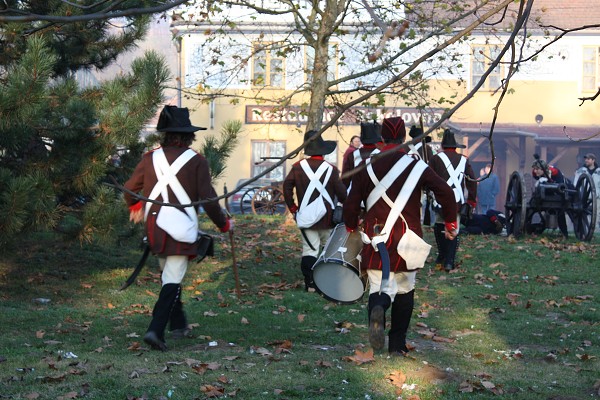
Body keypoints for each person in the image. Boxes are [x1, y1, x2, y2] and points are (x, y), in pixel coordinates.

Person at [343, 116, 458, 356]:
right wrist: (449, 222)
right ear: (404, 137)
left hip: (376, 237)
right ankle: (397, 346)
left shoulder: (367, 166)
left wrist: (351, 226)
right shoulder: (417, 166)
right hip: (407, 237)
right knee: (405, 289)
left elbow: (351, 202)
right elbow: (445, 192)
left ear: (382, 137)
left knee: (378, 287)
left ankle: (379, 309)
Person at [124, 105, 232, 351]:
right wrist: (224, 224)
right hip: (181, 228)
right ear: (188, 136)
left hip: (155, 227)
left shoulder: (149, 158)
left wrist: (135, 207)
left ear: (164, 134)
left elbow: (130, 188)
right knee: (172, 277)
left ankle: (178, 322)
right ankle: (155, 330)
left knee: (170, 276)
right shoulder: (197, 161)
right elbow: (208, 198)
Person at [283, 130, 347, 291]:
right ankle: (328, 282)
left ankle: (310, 284)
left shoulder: (297, 167)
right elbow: (342, 194)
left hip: (305, 217)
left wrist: (293, 208)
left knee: (310, 250)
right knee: (329, 250)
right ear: (323, 151)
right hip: (328, 218)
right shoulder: (331, 169)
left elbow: (286, 187)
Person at [428, 129, 477, 272]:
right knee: (453, 228)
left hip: (440, 200)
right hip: (457, 201)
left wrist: (430, 193)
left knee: (439, 225)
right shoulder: (464, 160)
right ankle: (449, 261)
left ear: (443, 145)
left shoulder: (436, 159)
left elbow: (429, 178)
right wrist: (471, 201)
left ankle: (442, 255)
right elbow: (472, 181)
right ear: (455, 146)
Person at [531, 154, 570, 237]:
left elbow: (561, 186)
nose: (535, 171)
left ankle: (564, 233)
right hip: (544, 194)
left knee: (560, 212)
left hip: (559, 192)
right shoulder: (535, 174)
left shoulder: (556, 172)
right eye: (534, 169)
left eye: (537, 169)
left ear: (543, 169)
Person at [341, 122, 383, 189]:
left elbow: (345, 179)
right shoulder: (382, 155)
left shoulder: (352, 156)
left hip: (355, 193)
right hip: (376, 193)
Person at [574, 153, 600, 228]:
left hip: (597, 197)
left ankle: (595, 231)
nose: (586, 160)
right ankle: (586, 231)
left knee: (596, 215)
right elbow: (576, 184)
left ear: (593, 160)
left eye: (588, 159)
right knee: (585, 216)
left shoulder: (599, 172)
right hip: (584, 198)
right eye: (585, 159)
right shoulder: (580, 171)